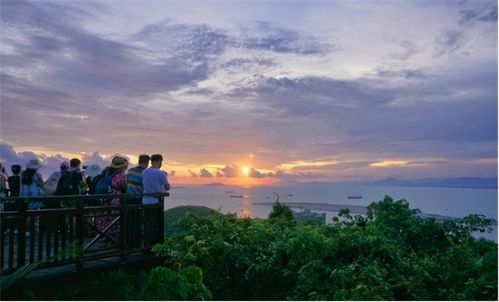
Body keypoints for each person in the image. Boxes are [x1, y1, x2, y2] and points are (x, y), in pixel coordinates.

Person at [97, 156, 128, 244]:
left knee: (106, 218)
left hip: (105, 199)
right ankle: (115, 241)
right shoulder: (121, 175)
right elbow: (125, 187)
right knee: (116, 219)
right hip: (115, 199)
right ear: (122, 166)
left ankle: (105, 237)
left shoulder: (107, 173)